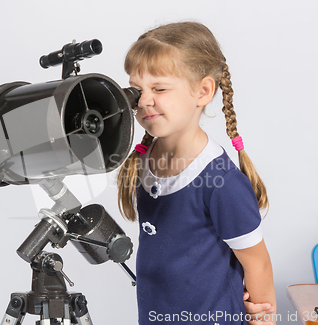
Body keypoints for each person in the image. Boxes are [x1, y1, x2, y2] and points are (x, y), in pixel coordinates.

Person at [117, 22, 277, 324]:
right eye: (137, 90)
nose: (144, 100)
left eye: (159, 88)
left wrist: (265, 317)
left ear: (202, 91)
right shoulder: (145, 161)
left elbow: (258, 264)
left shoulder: (221, 182)